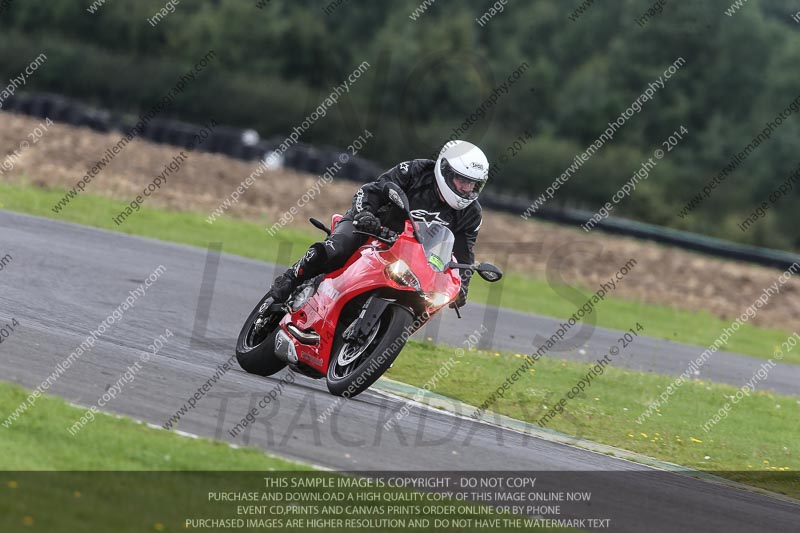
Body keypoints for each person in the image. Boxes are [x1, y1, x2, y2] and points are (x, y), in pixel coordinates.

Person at [267, 140, 488, 308]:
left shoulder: (471, 213)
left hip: (411, 254)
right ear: (445, 171)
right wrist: (366, 215)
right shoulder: (416, 172)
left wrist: (461, 288)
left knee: (425, 301)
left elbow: (462, 251)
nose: (467, 190)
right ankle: (291, 278)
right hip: (373, 228)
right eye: (463, 181)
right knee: (337, 249)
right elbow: (374, 189)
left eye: (474, 185)